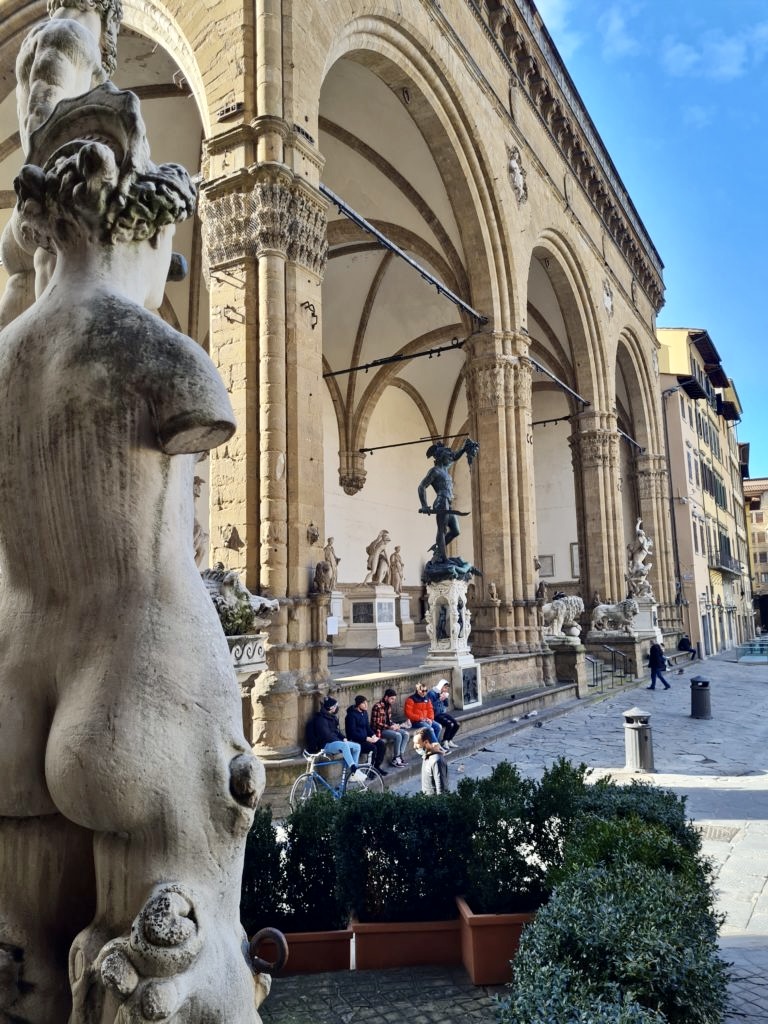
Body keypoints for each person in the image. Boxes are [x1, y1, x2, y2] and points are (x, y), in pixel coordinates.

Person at [0, 0, 124, 328]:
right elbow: (43, 111)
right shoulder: (72, 35)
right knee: (59, 331)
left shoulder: (37, 36)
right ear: (109, 16)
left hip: (28, 212)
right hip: (53, 199)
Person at [418, 437, 479, 562]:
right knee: (442, 530)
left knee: (456, 531)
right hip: (441, 501)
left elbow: (455, 457)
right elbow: (422, 486)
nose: (450, 458)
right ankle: (444, 558)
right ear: (440, 457)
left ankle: (438, 550)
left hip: (448, 503)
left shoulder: (445, 469)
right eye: (448, 456)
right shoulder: (435, 471)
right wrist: (424, 505)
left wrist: (464, 449)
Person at [309, 697, 365, 777]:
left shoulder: (331, 717)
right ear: (331, 708)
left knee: (357, 746)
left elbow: (336, 731)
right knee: (344, 745)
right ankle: (354, 769)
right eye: (336, 706)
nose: (337, 708)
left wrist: (343, 738)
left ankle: (353, 776)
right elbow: (327, 736)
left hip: (336, 742)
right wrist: (340, 741)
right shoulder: (321, 720)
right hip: (326, 745)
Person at [345, 696, 387, 776]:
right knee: (373, 748)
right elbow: (352, 733)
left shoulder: (364, 713)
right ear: (358, 704)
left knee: (381, 744)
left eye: (366, 702)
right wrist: (366, 738)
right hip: (356, 741)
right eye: (363, 703)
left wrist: (373, 735)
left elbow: (367, 728)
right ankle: (369, 771)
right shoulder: (351, 716)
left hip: (365, 739)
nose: (366, 705)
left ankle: (376, 767)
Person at [371, 688, 410, 767]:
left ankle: (400, 756)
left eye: (394, 699)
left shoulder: (388, 706)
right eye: (392, 698)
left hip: (388, 728)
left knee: (406, 734)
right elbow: (376, 724)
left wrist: (394, 725)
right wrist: (390, 727)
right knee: (398, 735)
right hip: (380, 730)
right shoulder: (377, 707)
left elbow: (389, 720)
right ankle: (395, 758)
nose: (393, 701)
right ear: (386, 697)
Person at [404, 682, 443, 747]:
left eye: (426, 691)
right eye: (422, 691)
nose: (424, 692)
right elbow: (408, 714)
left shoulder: (427, 699)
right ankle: (437, 747)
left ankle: (432, 746)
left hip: (426, 720)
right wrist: (420, 718)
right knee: (430, 729)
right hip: (416, 722)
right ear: (417, 690)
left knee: (438, 727)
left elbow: (430, 710)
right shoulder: (411, 699)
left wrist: (430, 719)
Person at [414, 728, 449, 795]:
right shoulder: (427, 755)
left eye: (417, 743)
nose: (414, 746)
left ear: (426, 742)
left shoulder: (437, 760)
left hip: (433, 803)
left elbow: (442, 790)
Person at [427, 679, 460, 749]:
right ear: (440, 686)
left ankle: (449, 740)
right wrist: (439, 699)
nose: (446, 689)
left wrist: (445, 698)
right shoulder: (432, 693)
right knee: (450, 724)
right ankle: (444, 741)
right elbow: (431, 707)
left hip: (442, 713)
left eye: (447, 688)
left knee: (457, 724)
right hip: (435, 715)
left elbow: (446, 705)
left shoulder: (443, 693)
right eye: (445, 687)